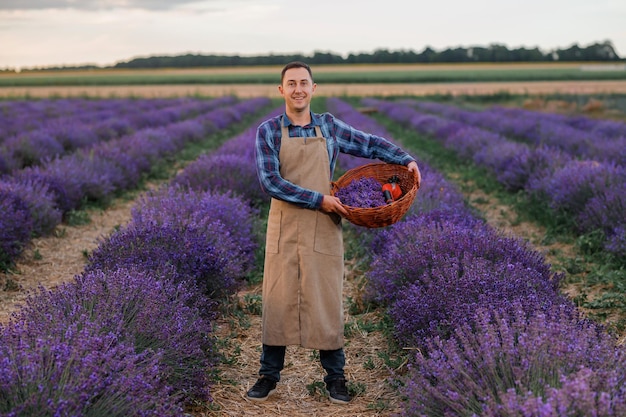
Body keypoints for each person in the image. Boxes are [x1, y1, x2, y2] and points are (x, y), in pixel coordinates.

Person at [249, 61, 421, 404]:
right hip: (286, 225)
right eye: (291, 83)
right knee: (278, 299)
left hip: (324, 226)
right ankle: (268, 376)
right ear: (281, 90)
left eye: (304, 83)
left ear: (314, 89)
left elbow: (369, 144)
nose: (298, 89)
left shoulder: (328, 126)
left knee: (325, 300)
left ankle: (336, 379)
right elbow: (271, 182)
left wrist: (405, 159)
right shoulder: (268, 131)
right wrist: (319, 199)